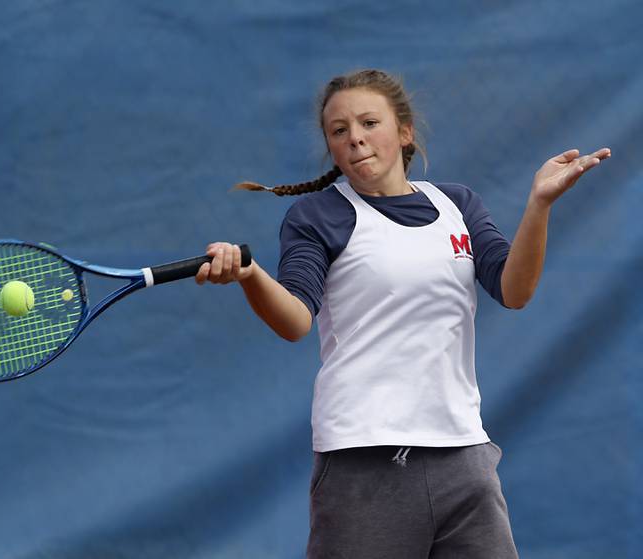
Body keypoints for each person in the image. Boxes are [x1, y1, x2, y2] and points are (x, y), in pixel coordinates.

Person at [195, 69, 611, 558]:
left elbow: (513, 289)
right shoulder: (317, 217)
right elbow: (295, 320)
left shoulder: (458, 204)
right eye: (339, 131)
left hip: (465, 457)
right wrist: (249, 275)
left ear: (405, 131)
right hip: (363, 462)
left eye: (369, 123)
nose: (355, 139)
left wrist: (539, 204)